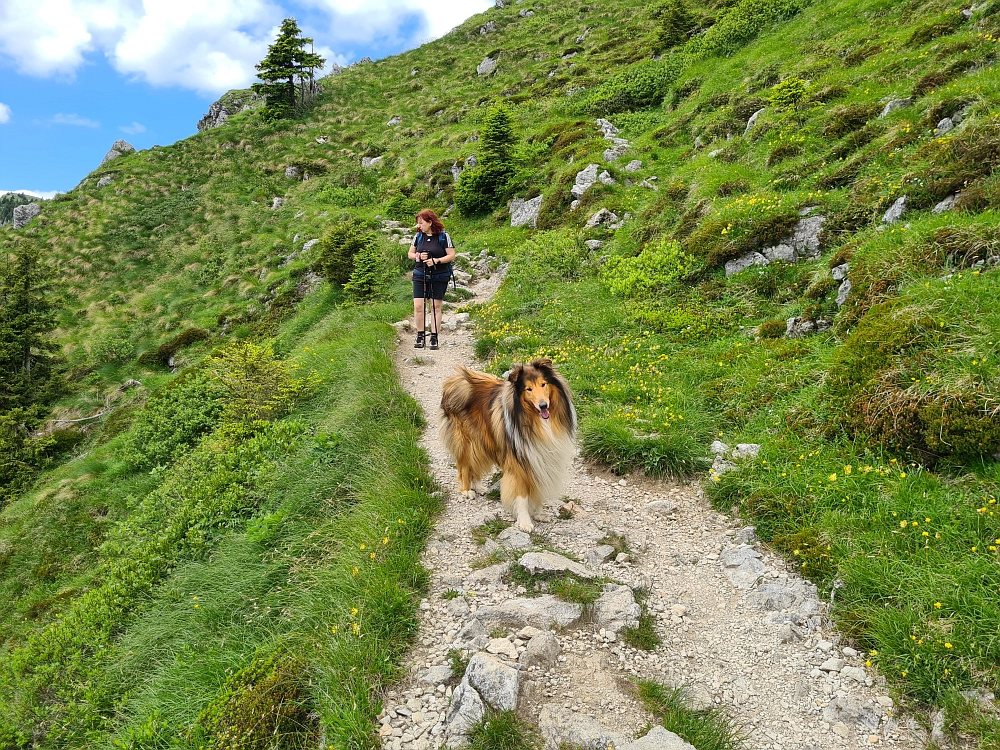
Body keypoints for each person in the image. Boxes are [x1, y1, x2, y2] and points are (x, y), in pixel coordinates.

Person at [408, 209, 455, 350]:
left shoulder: (443, 236)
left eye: (421, 223)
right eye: (418, 223)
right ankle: (420, 335)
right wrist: (418, 256)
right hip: (419, 274)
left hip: (439, 275)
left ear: (430, 222)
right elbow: (410, 253)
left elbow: (451, 255)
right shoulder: (418, 236)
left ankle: (434, 337)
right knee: (418, 306)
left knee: (436, 306)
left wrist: (436, 261)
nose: (419, 225)